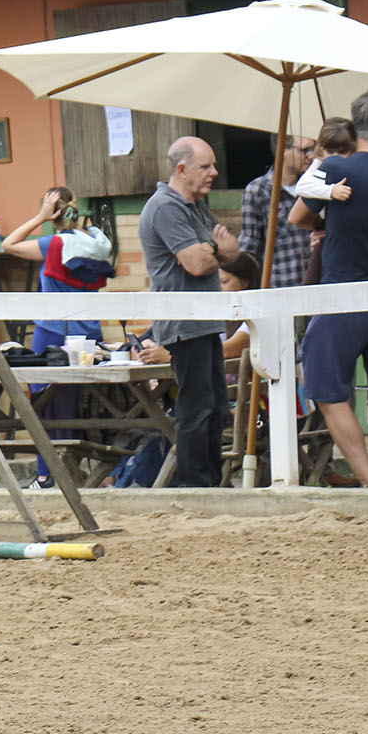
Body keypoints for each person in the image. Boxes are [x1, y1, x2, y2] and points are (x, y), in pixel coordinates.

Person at [288, 90, 368, 488]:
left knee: (326, 391)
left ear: (353, 124)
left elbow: (296, 216)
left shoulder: (335, 169)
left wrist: (325, 226)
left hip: (340, 294)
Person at [138, 136, 237, 487]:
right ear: (181, 169)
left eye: (213, 165)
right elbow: (197, 263)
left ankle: (208, 483)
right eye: (205, 166)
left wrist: (216, 250)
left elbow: (232, 250)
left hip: (205, 322)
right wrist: (216, 247)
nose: (214, 172)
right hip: (185, 323)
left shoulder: (194, 204)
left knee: (215, 409)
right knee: (197, 409)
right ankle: (196, 486)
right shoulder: (166, 207)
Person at [2, 186, 114, 490]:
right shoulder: (94, 243)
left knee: (42, 403)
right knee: (73, 403)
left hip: (52, 332)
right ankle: (73, 471)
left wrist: (39, 217)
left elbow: (9, 244)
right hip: (88, 334)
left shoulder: (52, 244)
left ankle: (45, 475)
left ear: (54, 213)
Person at [238, 135, 315, 287]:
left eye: (313, 149)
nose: (310, 156)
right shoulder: (258, 190)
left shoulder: (314, 187)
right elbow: (249, 246)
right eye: (304, 150)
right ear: (283, 150)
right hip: (278, 287)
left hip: (314, 285)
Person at [294, 118, 357, 285]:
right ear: (322, 150)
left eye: (343, 151)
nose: (335, 157)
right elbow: (301, 187)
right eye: (330, 151)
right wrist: (331, 191)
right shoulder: (320, 165)